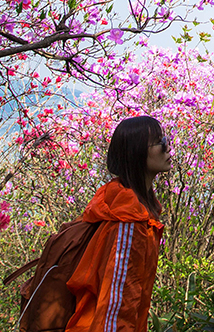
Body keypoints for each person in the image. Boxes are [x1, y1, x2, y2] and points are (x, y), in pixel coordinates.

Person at [64, 115, 171, 332]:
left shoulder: (136, 210)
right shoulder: (127, 220)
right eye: (161, 143)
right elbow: (115, 306)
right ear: (137, 152)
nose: (168, 148)